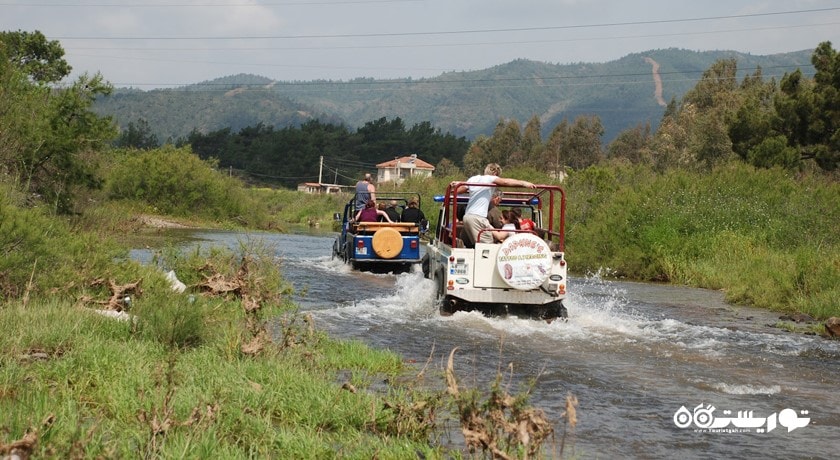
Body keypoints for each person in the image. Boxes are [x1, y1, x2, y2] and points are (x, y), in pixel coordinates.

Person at [456, 163, 536, 245]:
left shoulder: (473, 179)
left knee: (479, 243)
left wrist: (457, 184)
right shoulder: (491, 178)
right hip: (478, 217)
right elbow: (505, 182)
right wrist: (524, 183)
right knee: (487, 245)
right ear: (495, 173)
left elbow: (458, 190)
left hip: (467, 216)